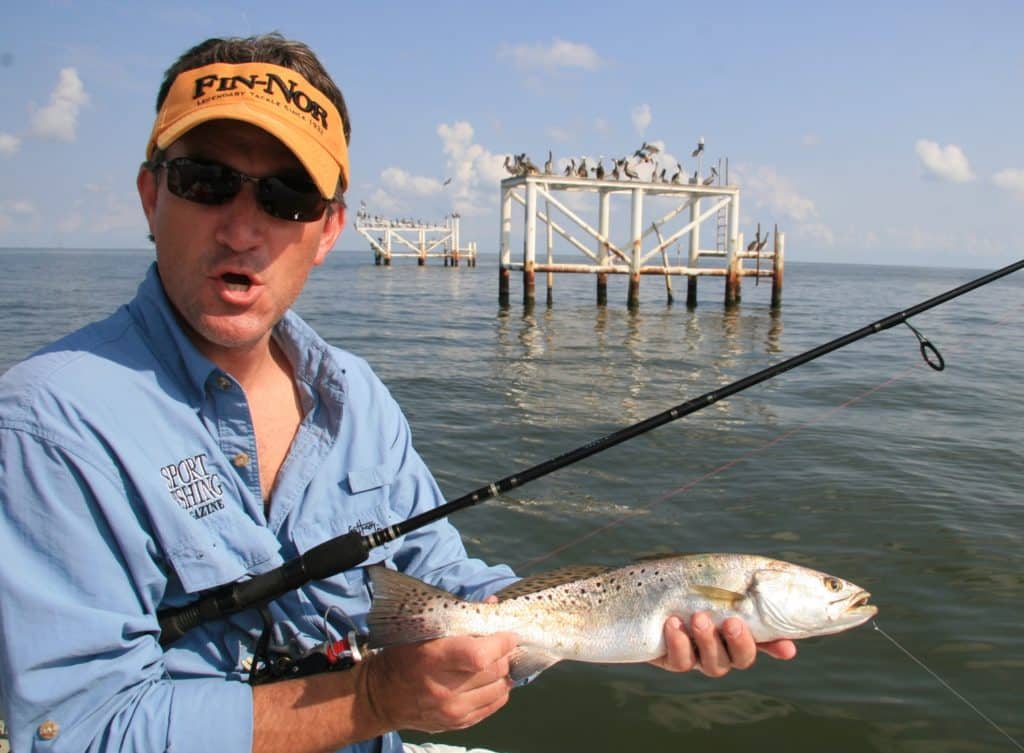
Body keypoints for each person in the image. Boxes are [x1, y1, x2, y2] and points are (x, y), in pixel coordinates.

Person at [0, 33, 795, 753]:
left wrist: (634, 623)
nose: (243, 228)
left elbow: (447, 585)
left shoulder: (357, 398)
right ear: (151, 194)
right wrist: (374, 697)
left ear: (329, 229)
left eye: (287, 199)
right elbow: (81, 729)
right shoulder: (53, 423)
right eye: (208, 181)